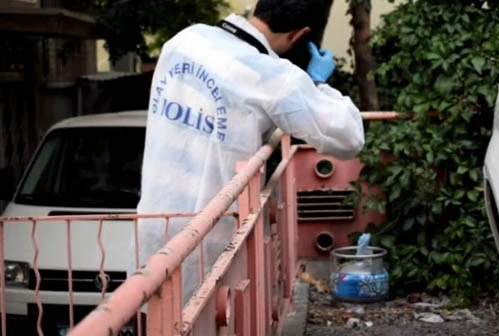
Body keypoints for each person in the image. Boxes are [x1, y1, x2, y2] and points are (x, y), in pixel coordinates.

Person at [128, 0, 365, 311]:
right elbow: (348, 137)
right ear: (300, 35)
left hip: (153, 223)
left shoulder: (185, 41)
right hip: (208, 241)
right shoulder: (272, 77)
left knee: (154, 322)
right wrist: (316, 83)